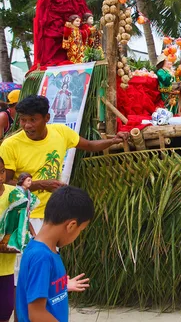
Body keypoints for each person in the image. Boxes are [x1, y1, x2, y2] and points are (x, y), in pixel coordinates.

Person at [0, 95, 128, 234]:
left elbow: (90, 145)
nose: (27, 125)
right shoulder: (10, 145)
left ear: (47, 118)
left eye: (33, 120)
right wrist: (41, 184)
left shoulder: (61, 132)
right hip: (23, 216)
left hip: (52, 214)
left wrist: (113, 140)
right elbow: (6, 183)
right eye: (23, 120)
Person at [15, 185, 94, 322]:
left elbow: (33, 289)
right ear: (71, 225)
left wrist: (61, 287)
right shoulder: (42, 257)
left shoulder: (40, 248)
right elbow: (36, 314)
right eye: (80, 230)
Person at [0, 156, 18, 322]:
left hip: (6, 267)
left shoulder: (14, 194)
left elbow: (21, 225)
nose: (0, 177)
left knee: (5, 311)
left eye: (2, 171)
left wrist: (13, 241)